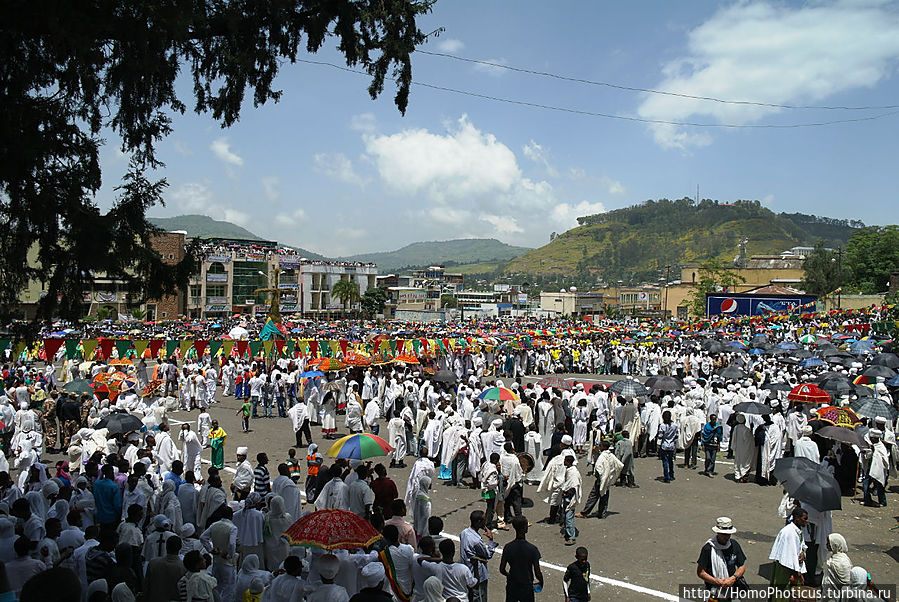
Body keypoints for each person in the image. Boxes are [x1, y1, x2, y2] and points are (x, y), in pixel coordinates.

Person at [696, 517, 746, 600]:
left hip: (732, 589)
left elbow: (742, 566)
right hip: (713, 591)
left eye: (728, 534)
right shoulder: (708, 549)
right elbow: (701, 572)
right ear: (718, 533)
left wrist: (733, 579)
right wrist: (717, 582)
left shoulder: (734, 545)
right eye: (723, 534)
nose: (726, 537)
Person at [499, 516, 543, 602]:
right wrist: (541, 581)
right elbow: (537, 571)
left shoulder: (508, 547)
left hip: (512, 584)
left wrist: (509, 576)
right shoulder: (532, 549)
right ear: (524, 528)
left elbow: (502, 569)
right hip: (526, 585)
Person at [576, 440, 622, 520]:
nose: (599, 447)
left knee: (593, 496)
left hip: (600, 480)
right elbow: (620, 465)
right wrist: (612, 475)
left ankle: (585, 513)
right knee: (604, 497)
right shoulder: (611, 455)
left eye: (600, 446)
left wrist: (599, 476)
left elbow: (598, 469)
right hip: (607, 480)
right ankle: (602, 513)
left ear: (603, 447)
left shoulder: (602, 457)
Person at [460, 510, 498, 602]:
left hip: (466, 570)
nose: (485, 522)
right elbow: (488, 554)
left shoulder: (464, 533)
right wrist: (491, 540)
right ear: (478, 522)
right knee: (480, 596)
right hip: (478, 574)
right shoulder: (476, 540)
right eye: (483, 520)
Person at [769, 508, 808, 590]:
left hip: (793, 568)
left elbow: (802, 546)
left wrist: (803, 553)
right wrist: (797, 574)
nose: (806, 521)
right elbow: (788, 557)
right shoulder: (788, 533)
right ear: (797, 518)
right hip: (785, 570)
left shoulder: (798, 531)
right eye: (805, 519)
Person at [144, 535, 186, 602]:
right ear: (180, 547)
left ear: (166, 546)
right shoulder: (183, 567)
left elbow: (146, 588)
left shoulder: (153, 563)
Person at [820, 533, 851, 602]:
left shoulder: (839, 562)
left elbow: (845, 581)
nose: (826, 545)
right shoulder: (835, 558)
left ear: (835, 545)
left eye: (829, 543)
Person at [560, 455, 581, 545]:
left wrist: (567, 493)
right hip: (567, 497)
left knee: (569, 518)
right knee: (565, 516)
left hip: (570, 498)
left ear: (567, 462)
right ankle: (567, 532)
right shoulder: (569, 470)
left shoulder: (573, 473)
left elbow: (574, 485)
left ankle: (571, 538)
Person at [656, 410, 678, 483]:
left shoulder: (662, 426)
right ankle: (671, 474)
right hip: (671, 445)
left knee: (665, 461)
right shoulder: (674, 425)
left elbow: (660, 436)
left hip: (664, 445)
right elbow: (677, 435)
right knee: (670, 460)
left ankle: (667, 476)